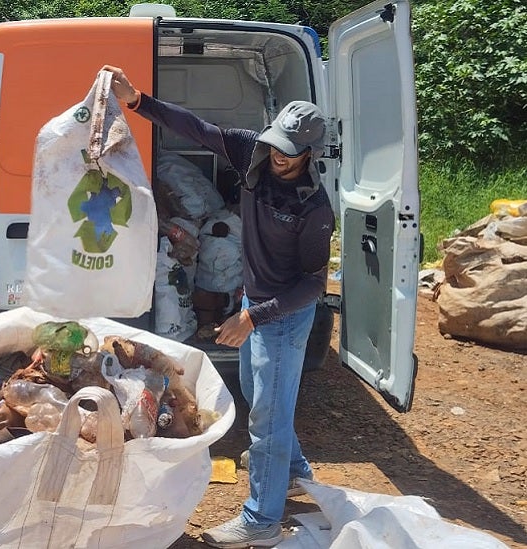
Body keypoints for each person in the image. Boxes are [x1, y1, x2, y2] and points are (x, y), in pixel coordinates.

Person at [102, 65, 334, 548]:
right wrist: (138, 100)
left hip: (282, 317)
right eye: (276, 146)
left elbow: (312, 285)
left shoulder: (313, 208)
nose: (278, 157)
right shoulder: (253, 153)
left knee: (266, 419)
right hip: (255, 303)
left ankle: (261, 520)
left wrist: (253, 316)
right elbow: (196, 128)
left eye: (290, 153)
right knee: (257, 393)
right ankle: (293, 471)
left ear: (310, 154)